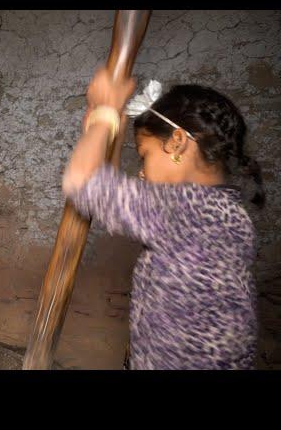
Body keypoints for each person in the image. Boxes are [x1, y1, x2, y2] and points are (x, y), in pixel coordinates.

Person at [62, 68, 264, 369]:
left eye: (144, 156)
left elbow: (84, 184)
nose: (142, 172)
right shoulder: (224, 212)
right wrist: (109, 130)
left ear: (177, 141)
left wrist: (104, 112)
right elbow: (111, 186)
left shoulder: (188, 209)